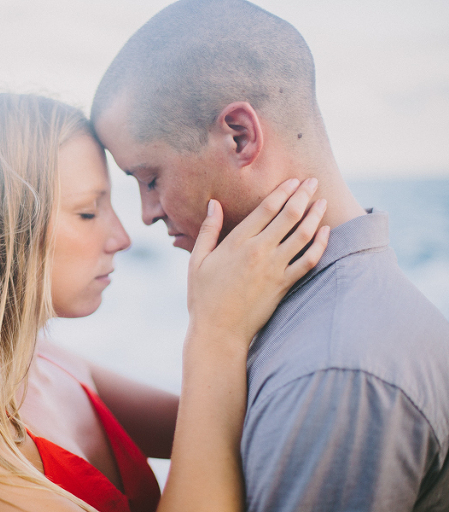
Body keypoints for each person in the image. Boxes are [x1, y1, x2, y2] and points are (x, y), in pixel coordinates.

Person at [0, 92, 328, 512]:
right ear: (1, 231)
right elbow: (213, 417)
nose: (120, 237)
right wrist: (215, 333)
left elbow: (227, 425)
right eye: (89, 212)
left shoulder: (51, 363)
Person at [91, 1, 449, 510]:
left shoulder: (332, 374)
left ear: (239, 136)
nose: (147, 215)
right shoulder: (317, 317)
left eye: (151, 178)